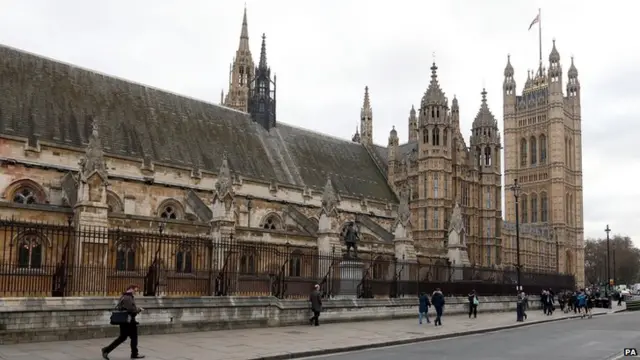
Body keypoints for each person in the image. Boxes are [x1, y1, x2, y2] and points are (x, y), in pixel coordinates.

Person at [102, 284, 145, 359]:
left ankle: (106, 350)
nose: (135, 292)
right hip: (128, 321)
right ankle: (134, 354)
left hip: (126, 321)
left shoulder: (125, 296)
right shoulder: (128, 298)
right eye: (135, 290)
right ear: (131, 289)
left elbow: (128, 307)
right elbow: (131, 309)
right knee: (132, 337)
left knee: (123, 337)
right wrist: (139, 310)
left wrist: (136, 309)